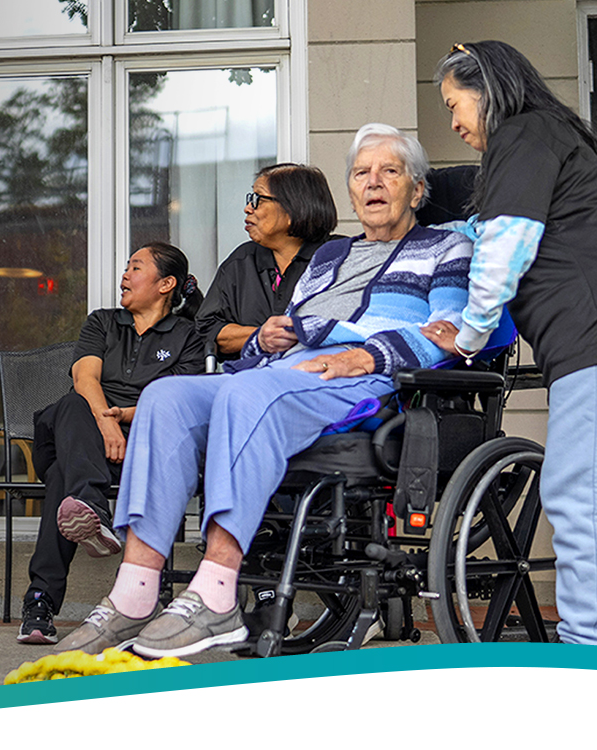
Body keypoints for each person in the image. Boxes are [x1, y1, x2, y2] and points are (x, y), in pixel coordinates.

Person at [57, 124, 473, 658]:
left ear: (416, 190)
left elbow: (449, 332)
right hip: (282, 369)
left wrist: (366, 356)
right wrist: (263, 338)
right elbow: (284, 331)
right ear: (350, 190)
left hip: (358, 380)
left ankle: (216, 593)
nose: (373, 182)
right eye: (361, 173)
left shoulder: (447, 247)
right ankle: (134, 593)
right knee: (166, 398)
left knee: (245, 395)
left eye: (389, 171)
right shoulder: (331, 256)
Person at [427, 41, 597, 647]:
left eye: (454, 104)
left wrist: (470, 336)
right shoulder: (544, 136)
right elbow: (492, 229)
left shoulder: (520, 135)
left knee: (577, 495)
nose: (454, 122)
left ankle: (589, 653)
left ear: (487, 90)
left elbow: (504, 248)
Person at [18, 242, 205, 644]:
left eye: (136, 267)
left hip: (139, 441)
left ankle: (40, 602)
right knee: (73, 404)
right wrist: (107, 423)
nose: (125, 275)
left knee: (62, 479)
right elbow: (84, 379)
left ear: (166, 284)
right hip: (81, 432)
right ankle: (93, 506)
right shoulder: (102, 321)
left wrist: (124, 418)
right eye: (126, 267)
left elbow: (177, 399)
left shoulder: (187, 336)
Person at [195, 164, 338, 360]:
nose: (248, 208)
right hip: (252, 374)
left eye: (258, 200)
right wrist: (261, 336)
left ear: (293, 208)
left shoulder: (340, 257)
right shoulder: (243, 260)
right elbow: (207, 330)